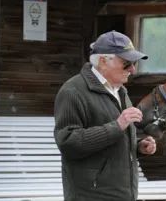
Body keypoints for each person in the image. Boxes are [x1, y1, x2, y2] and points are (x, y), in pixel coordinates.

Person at [53, 30, 156, 201]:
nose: (132, 69)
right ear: (103, 61)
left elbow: (111, 143)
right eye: (126, 63)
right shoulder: (72, 91)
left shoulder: (119, 90)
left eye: (134, 63)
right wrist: (118, 125)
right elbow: (68, 143)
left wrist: (138, 146)